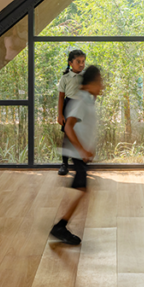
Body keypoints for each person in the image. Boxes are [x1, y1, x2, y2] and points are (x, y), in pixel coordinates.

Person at [50, 65, 103, 245]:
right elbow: (68, 127)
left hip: (80, 155)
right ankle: (60, 226)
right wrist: (82, 150)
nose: (102, 86)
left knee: (80, 190)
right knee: (81, 190)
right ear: (91, 83)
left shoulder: (87, 99)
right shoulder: (80, 100)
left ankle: (61, 225)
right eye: (100, 82)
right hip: (77, 154)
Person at [57, 49, 86, 177]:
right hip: (69, 107)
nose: (81, 64)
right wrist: (60, 114)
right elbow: (61, 97)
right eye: (78, 61)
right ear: (70, 63)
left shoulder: (85, 77)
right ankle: (64, 164)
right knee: (67, 137)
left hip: (82, 107)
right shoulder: (65, 78)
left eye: (83, 61)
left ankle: (81, 165)